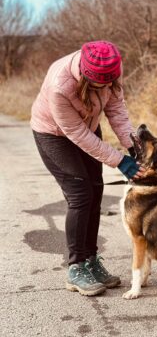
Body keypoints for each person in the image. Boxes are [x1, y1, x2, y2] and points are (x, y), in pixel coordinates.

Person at [30, 40, 145, 296]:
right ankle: (75, 267)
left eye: (109, 83)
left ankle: (91, 261)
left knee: (96, 190)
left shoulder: (111, 71)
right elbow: (77, 134)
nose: (105, 87)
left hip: (88, 128)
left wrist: (133, 146)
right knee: (80, 194)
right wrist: (120, 161)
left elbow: (116, 110)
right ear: (85, 75)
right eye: (98, 84)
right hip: (55, 135)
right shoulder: (60, 86)